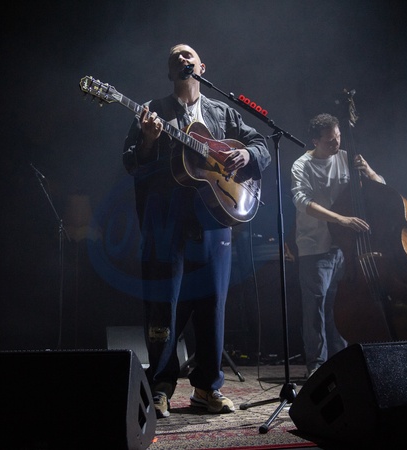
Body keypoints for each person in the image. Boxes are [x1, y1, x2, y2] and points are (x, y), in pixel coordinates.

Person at [122, 44, 271, 418]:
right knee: (163, 308)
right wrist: (149, 140)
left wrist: (247, 155)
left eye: (188, 55)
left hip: (213, 223)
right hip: (166, 222)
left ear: (201, 67)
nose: (182, 59)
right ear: (169, 72)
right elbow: (131, 163)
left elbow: (261, 144)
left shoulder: (223, 112)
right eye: (175, 57)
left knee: (212, 306)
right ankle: (159, 388)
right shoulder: (152, 111)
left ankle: (207, 388)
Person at [290, 113, 385, 377]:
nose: (337, 144)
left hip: (346, 247)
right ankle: (316, 366)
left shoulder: (347, 157)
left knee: (340, 306)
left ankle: (341, 360)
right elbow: (302, 202)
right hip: (315, 246)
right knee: (316, 309)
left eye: (339, 137)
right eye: (330, 141)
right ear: (315, 141)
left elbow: (380, 189)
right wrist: (341, 219)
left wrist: (369, 172)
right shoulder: (302, 165)